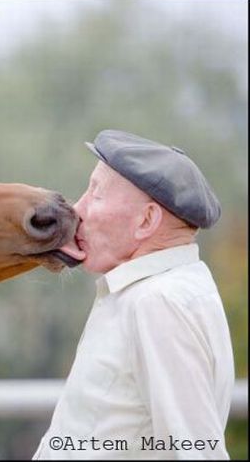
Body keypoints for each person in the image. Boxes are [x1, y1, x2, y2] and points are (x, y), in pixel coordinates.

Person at [33, 130, 234, 459]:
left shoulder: (157, 302)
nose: (78, 208)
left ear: (147, 220)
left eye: (96, 194)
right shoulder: (164, 290)